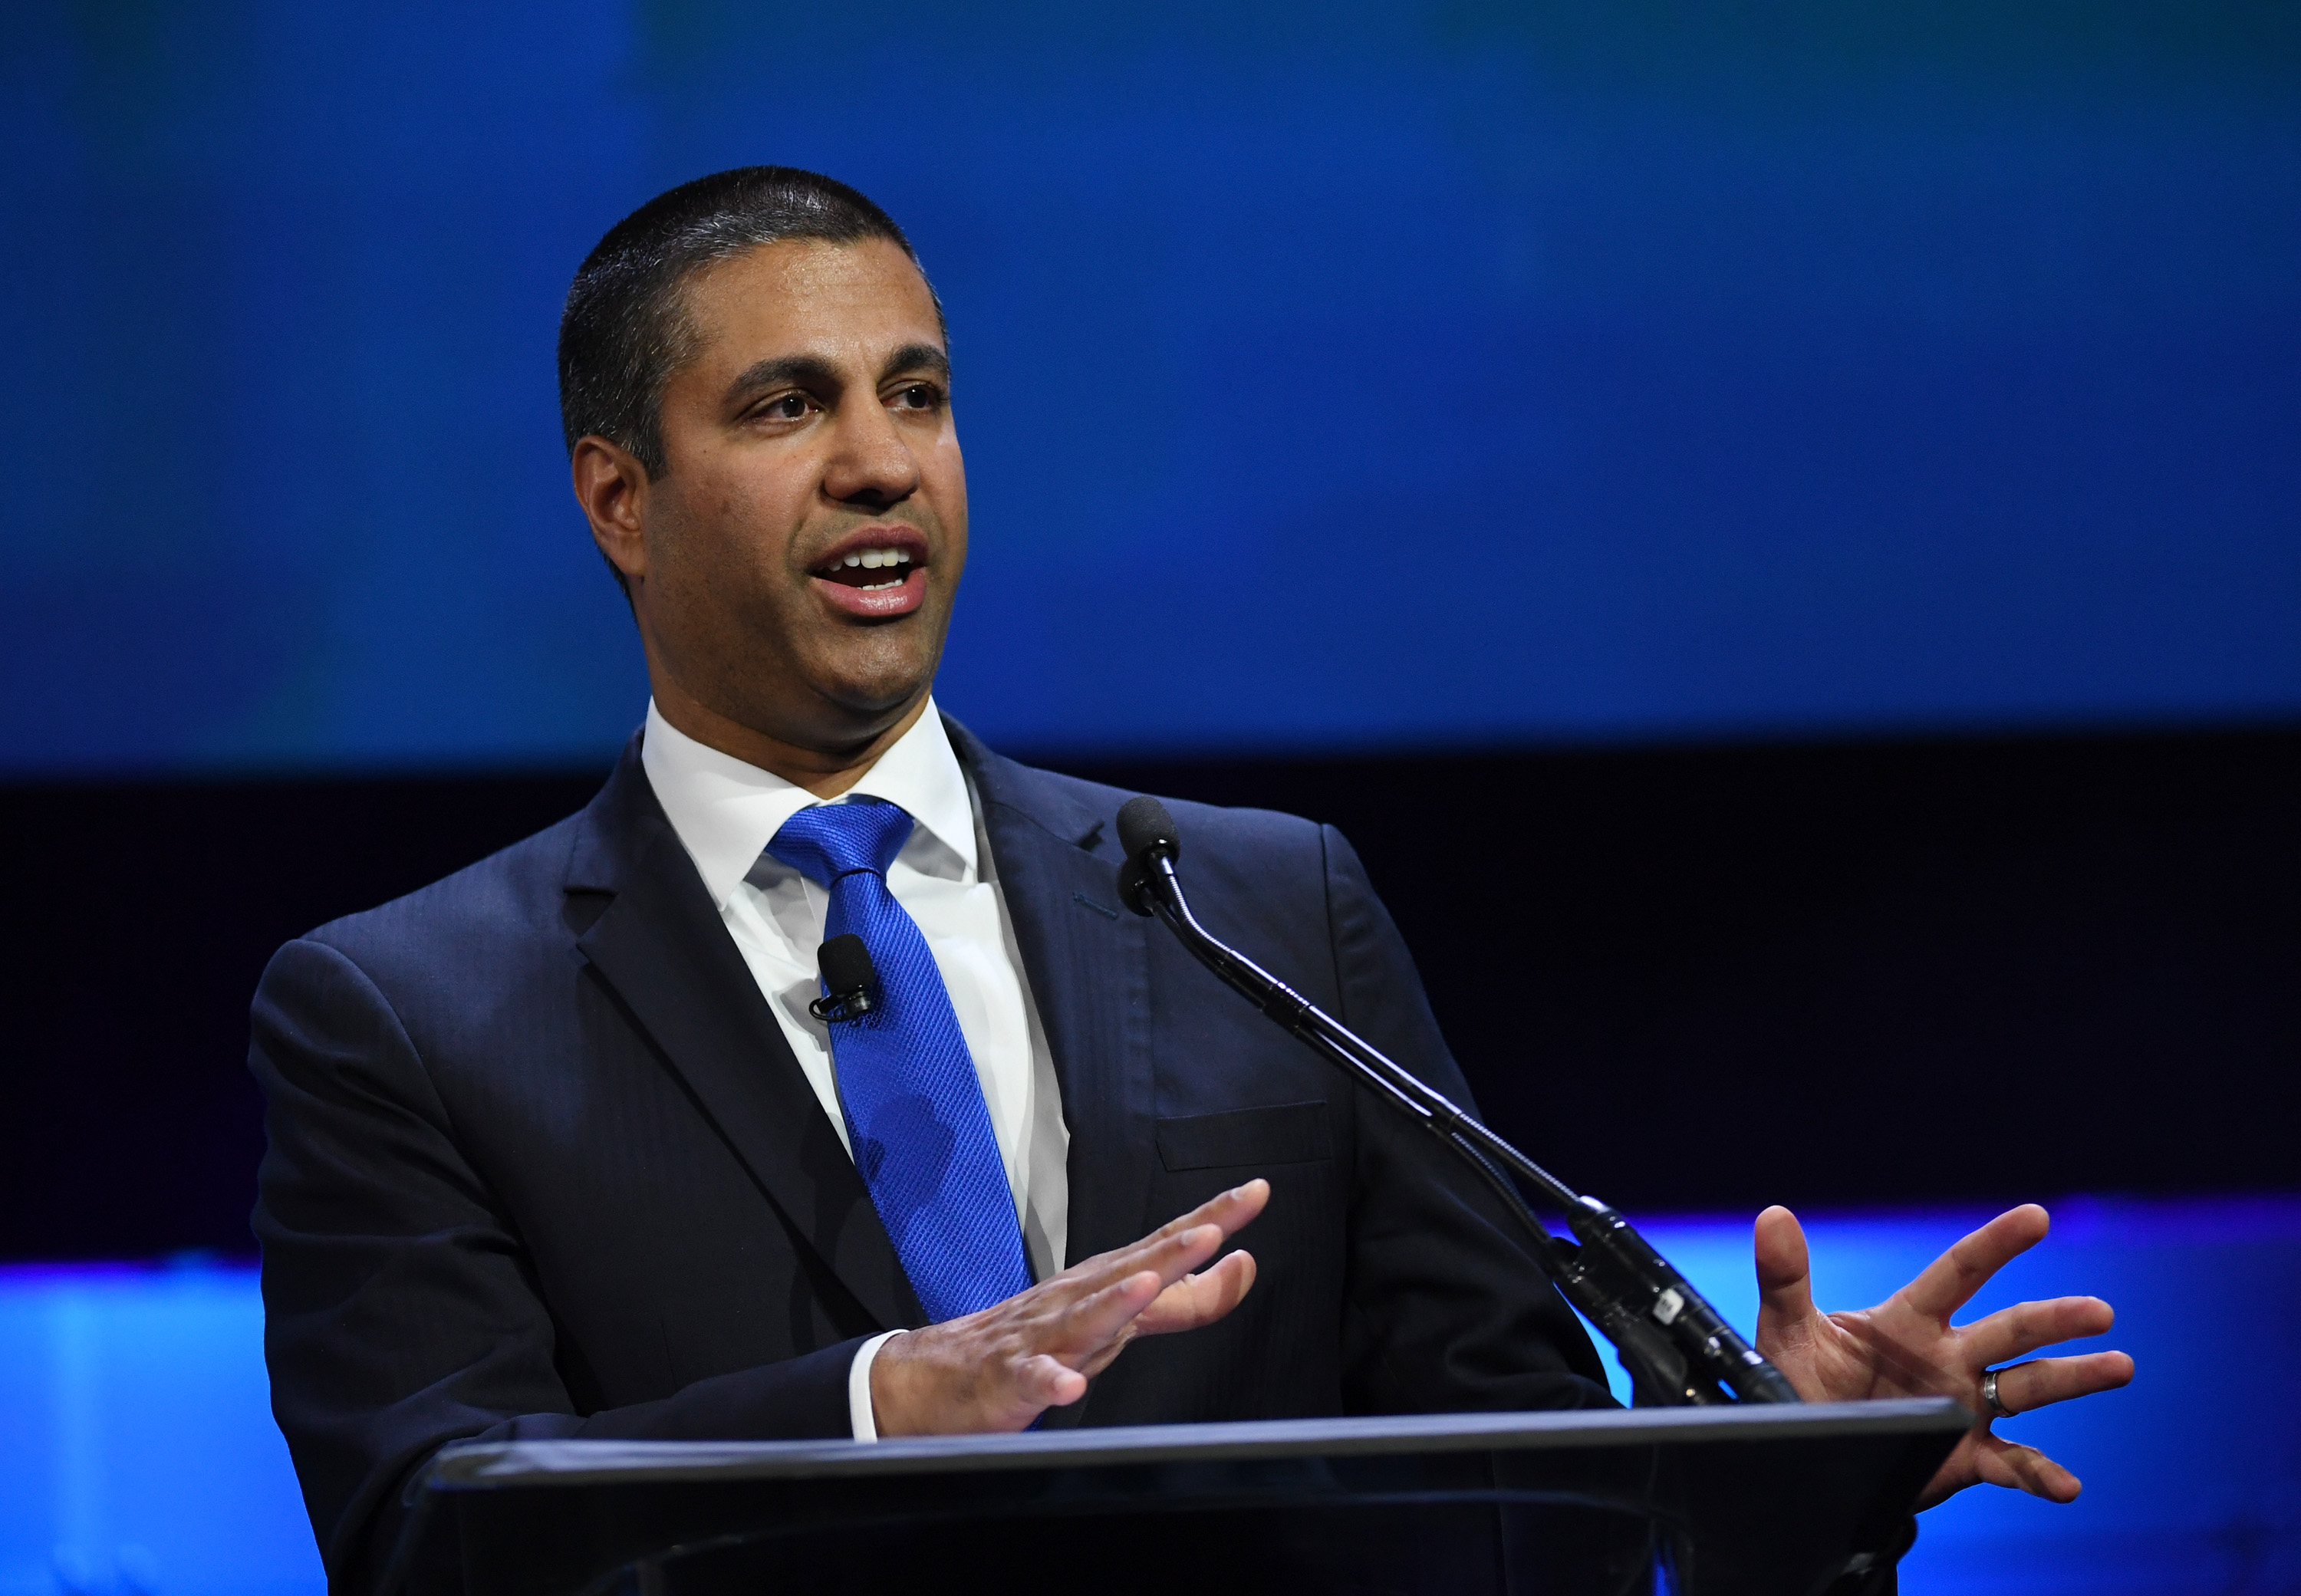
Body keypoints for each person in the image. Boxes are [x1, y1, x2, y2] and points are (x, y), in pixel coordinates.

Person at [249, 167, 2133, 1592]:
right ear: (619, 498)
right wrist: (881, 1406)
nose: (881, 463)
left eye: (919, 394)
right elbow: (426, 1530)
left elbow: (1510, 1506)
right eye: (787, 407)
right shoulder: (410, 1016)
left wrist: (1762, 1490)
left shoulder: (1257, 907)